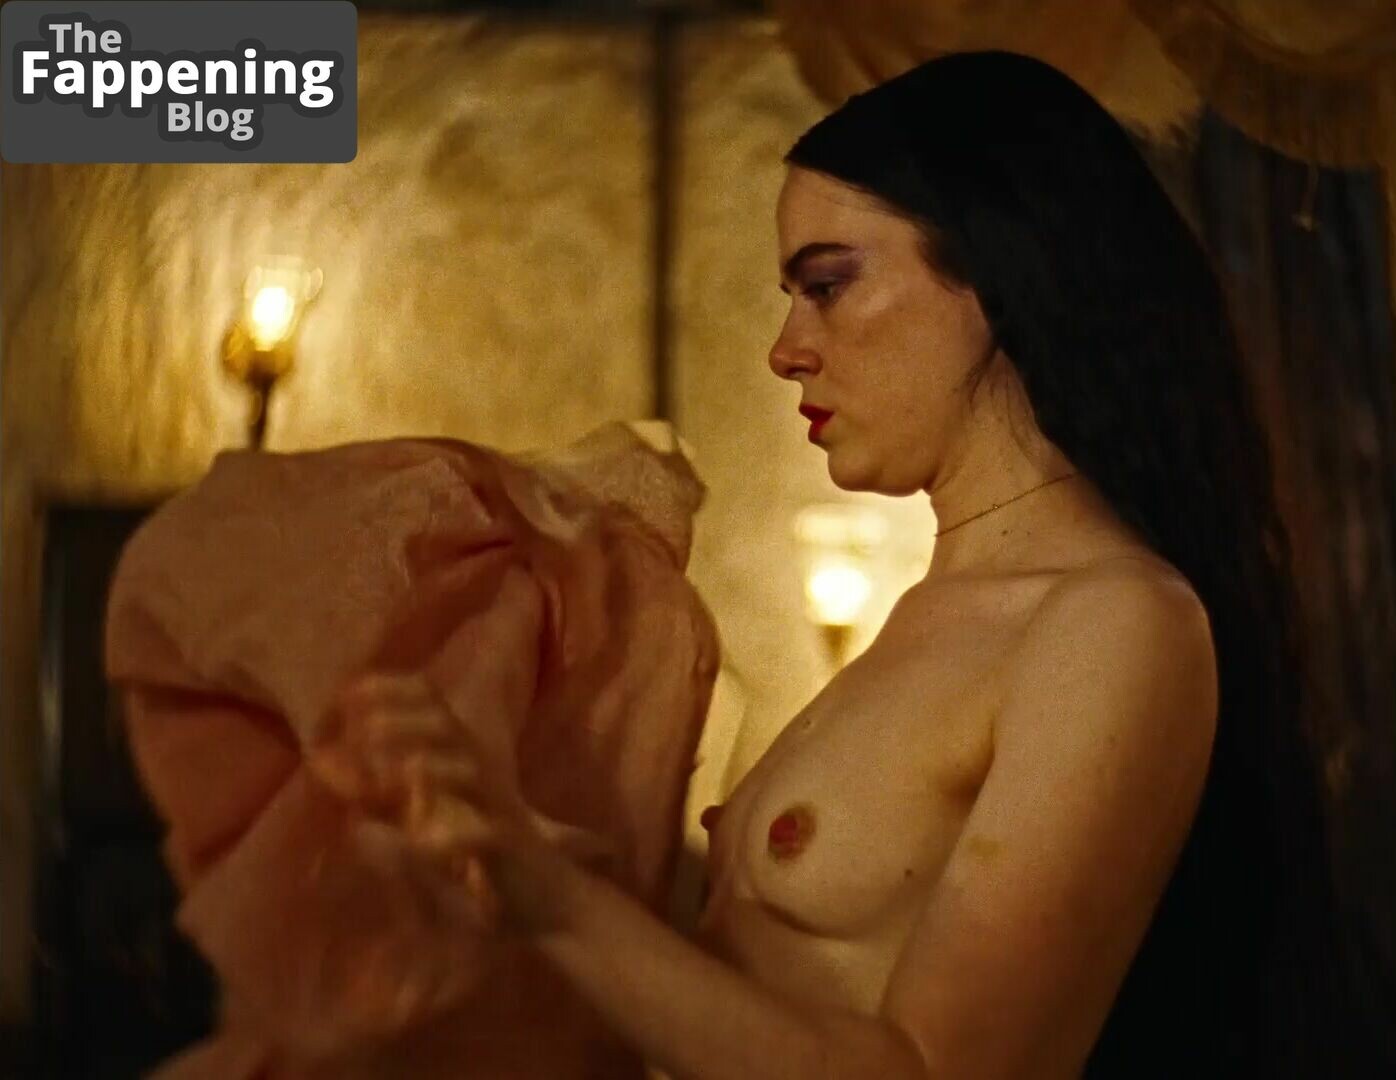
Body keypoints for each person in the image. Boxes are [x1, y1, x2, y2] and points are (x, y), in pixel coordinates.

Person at [330, 49, 1338, 1078]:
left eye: (828, 285)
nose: (784, 349)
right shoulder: (937, 615)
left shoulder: (1114, 623)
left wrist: (554, 898)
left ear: (998, 278)